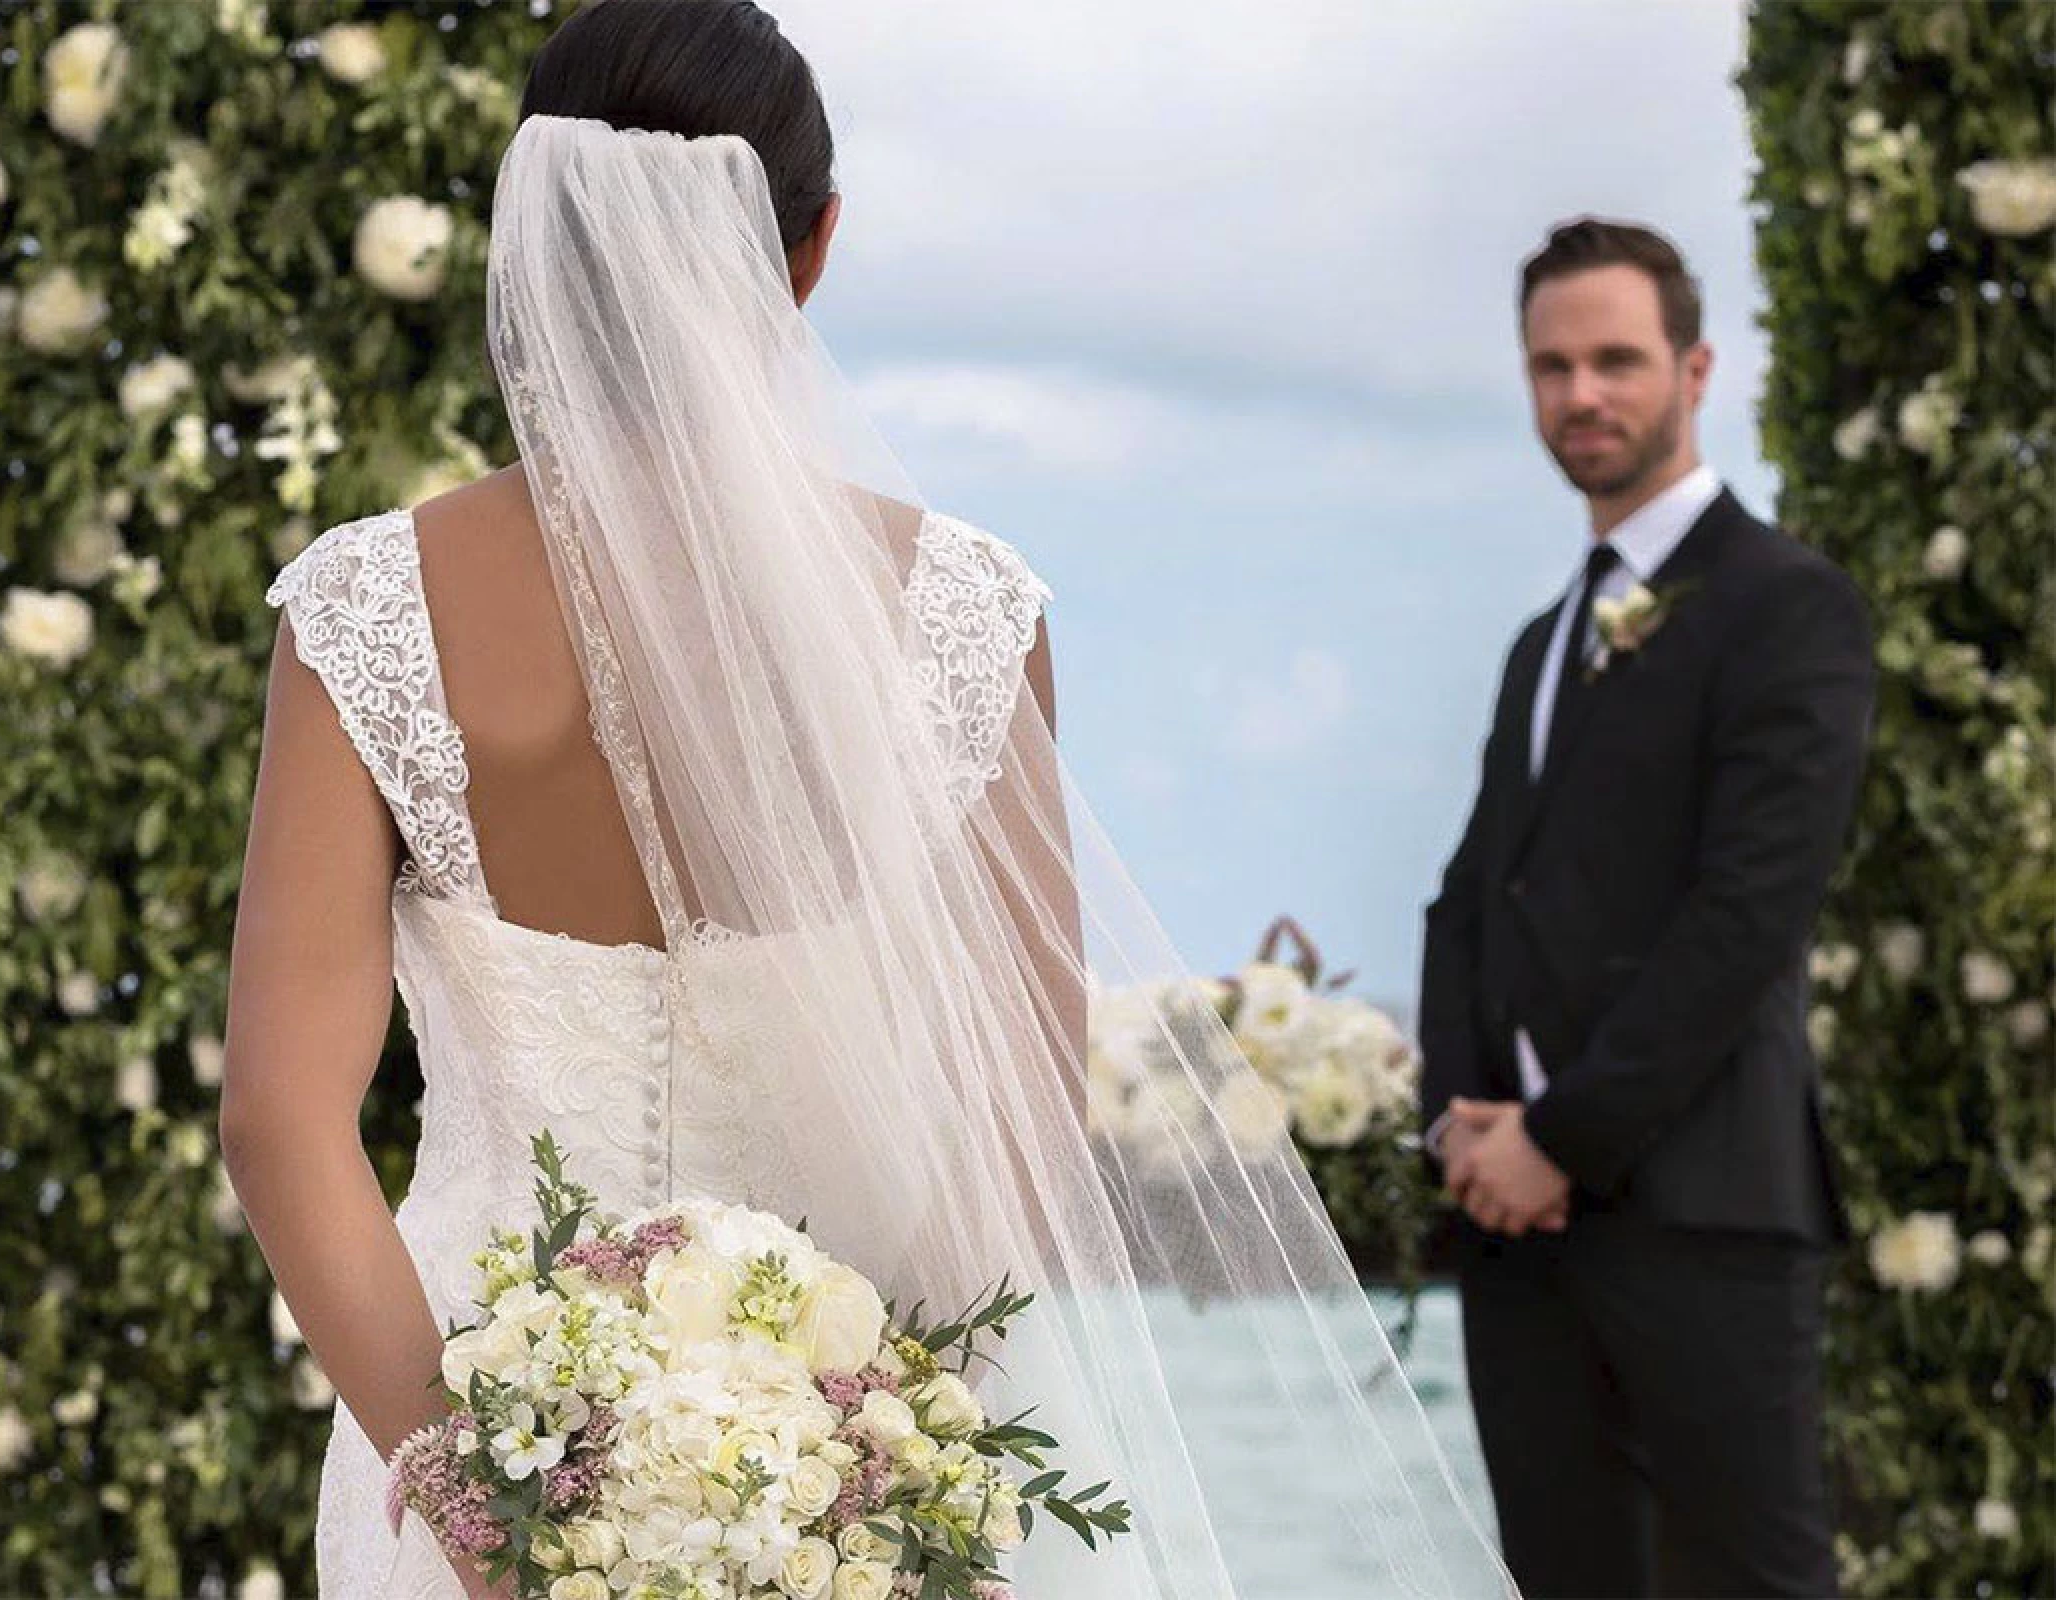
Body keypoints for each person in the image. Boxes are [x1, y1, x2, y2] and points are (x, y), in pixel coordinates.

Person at [221, 2, 1518, 1596]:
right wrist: (851, 1442)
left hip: (457, 1415)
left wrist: (471, 1500)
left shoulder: (369, 608)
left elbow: (282, 1124)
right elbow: (1019, 1129)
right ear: (812, 249)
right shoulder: (959, 611)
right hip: (859, 1461)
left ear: (534, 227)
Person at [1417, 216, 1875, 1598]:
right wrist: (1459, 1120)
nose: (1581, 395)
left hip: (1706, 1216)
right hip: (1519, 1236)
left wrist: (1561, 1135)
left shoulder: (1787, 605)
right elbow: (1467, 902)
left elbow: (1748, 915)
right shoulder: (1539, 642)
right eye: (1550, 367)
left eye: (1615, 360)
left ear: (1695, 369)